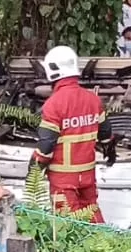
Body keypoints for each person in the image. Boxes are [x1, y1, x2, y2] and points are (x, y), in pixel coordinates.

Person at [33, 45, 113, 222]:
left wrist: (34, 167)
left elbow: (46, 145)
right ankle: (107, 246)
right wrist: (109, 146)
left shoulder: (54, 104)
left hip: (63, 178)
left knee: (68, 227)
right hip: (87, 174)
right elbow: (106, 132)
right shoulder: (93, 99)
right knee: (92, 217)